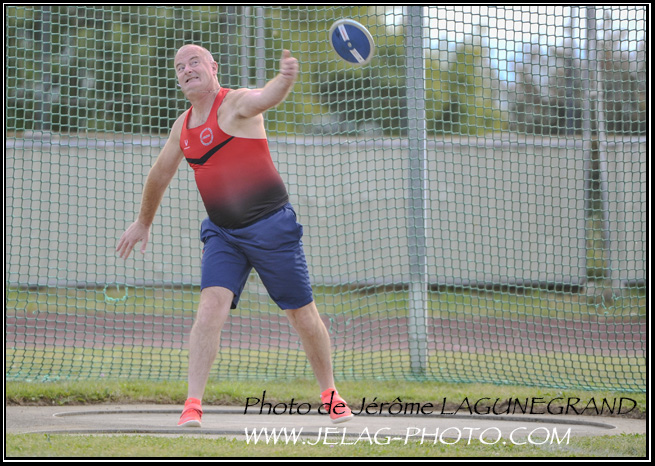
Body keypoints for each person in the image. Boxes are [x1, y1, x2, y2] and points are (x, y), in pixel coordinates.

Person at [116, 44, 353, 427]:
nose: (187, 69)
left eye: (194, 62)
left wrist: (285, 79)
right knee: (210, 307)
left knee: (301, 314)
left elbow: (266, 96)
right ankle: (192, 404)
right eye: (180, 67)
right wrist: (143, 222)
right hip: (223, 233)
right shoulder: (182, 127)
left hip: (271, 227)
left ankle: (330, 394)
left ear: (213, 67)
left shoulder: (235, 104)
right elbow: (160, 174)